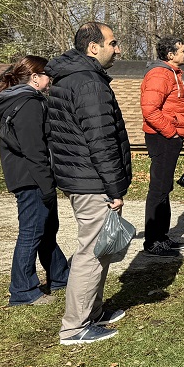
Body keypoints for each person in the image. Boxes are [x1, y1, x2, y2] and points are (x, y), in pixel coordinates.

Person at [47, 21, 131, 345]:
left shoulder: (74, 78)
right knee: (92, 253)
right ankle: (75, 327)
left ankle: (92, 312)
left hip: (84, 177)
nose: (118, 49)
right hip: (92, 181)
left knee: (101, 249)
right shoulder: (87, 83)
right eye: (113, 43)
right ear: (93, 48)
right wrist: (114, 189)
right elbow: (101, 141)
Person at [0, 56, 70, 307]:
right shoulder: (28, 104)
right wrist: (47, 184)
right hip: (31, 178)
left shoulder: (24, 100)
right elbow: (34, 150)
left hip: (31, 176)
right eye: (48, 75)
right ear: (35, 77)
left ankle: (60, 276)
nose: (51, 80)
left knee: (46, 230)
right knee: (32, 232)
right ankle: (23, 290)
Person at [140, 37, 184, 257]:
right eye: (182, 50)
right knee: (158, 189)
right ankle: (153, 242)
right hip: (162, 137)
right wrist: (171, 133)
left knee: (164, 187)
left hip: (167, 137)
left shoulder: (171, 73)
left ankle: (161, 236)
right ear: (170, 55)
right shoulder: (160, 74)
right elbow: (149, 110)